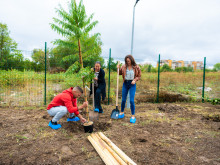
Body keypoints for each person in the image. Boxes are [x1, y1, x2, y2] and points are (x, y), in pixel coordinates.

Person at [117, 55, 141, 123]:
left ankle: (133, 116)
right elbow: (119, 73)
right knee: (123, 100)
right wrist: (118, 68)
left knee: (131, 101)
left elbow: (139, 76)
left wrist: (135, 80)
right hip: (125, 83)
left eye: (129, 61)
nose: (128, 62)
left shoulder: (136, 67)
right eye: (127, 61)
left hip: (132, 84)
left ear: (131, 60)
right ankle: (122, 113)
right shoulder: (124, 66)